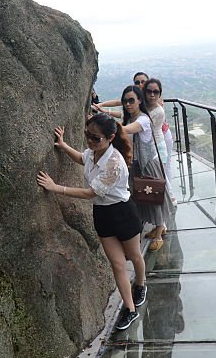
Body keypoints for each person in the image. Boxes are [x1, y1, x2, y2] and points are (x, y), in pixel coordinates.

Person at [36, 112, 147, 330]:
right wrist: (63, 145)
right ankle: (130, 309)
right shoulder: (93, 152)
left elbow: (90, 193)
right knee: (117, 264)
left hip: (123, 213)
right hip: (102, 214)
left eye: (95, 138)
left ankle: (141, 284)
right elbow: (82, 158)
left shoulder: (114, 163)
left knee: (134, 255)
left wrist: (55, 187)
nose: (89, 141)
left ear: (111, 137)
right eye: (88, 135)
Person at [118, 85, 170, 250]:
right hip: (137, 166)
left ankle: (159, 234)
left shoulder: (143, 119)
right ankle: (155, 228)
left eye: (131, 100)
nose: (128, 104)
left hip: (148, 165)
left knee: (155, 198)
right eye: (125, 101)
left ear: (139, 100)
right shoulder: (130, 118)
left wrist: (107, 126)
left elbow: (128, 130)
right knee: (143, 200)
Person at [142, 78, 176, 204]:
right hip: (150, 145)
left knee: (161, 174)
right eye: (149, 91)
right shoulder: (145, 106)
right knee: (159, 174)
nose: (152, 95)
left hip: (157, 145)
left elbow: (143, 126)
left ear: (160, 94)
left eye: (156, 92)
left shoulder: (158, 111)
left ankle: (169, 200)